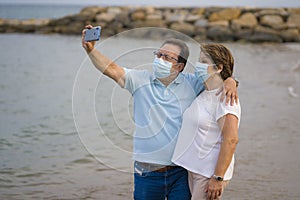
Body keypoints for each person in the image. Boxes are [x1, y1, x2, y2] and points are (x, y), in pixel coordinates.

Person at [81, 25, 238, 200]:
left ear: (179, 66)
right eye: (159, 54)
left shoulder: (193, 83)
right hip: (147, 173)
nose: (160, 59)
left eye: (167, 57)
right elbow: (111, 68)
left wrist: (231, 81)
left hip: (181, 171)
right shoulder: (140, 80)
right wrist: (91, 50)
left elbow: (216, 79)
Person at [172, 43, 241, 200]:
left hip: (209, 174)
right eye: (199, 60)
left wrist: (218, 177)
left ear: (218, 68)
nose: (198, 65)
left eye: (203, 61)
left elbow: (231, 140)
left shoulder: (226, 99)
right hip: (195, 170)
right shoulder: (206, 92)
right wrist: (231, 80)